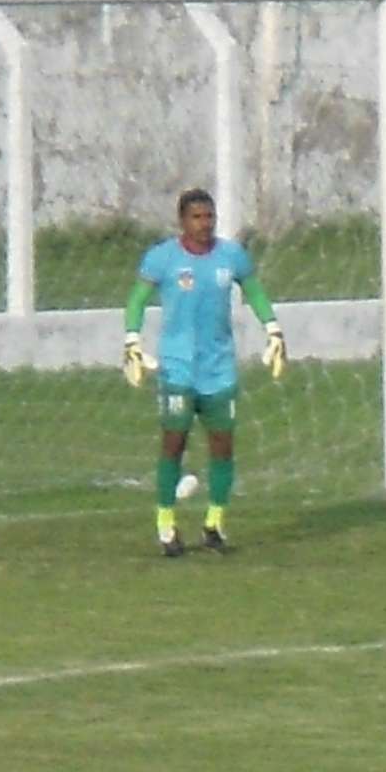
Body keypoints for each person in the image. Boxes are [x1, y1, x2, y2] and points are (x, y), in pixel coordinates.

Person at [122, 189, 283, 559]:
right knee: (173, 443)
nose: (204, 224)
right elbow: (136, 300)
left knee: (223, 447)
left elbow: (255, 293)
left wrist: (273, 329)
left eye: (209, 216)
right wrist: (132, 339)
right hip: (178, 367)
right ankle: (166, 525)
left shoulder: (231, 257)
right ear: (182, 221)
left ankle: (214, 525)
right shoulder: (163, 258)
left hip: (219, 368)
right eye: (197, 217)